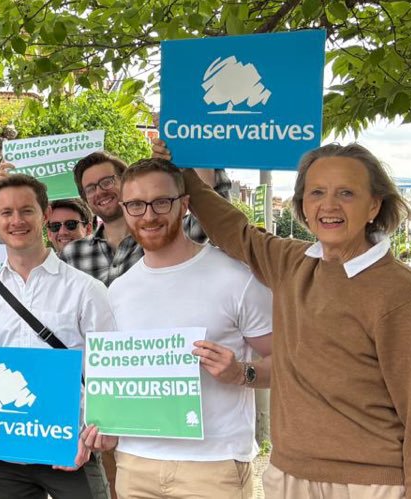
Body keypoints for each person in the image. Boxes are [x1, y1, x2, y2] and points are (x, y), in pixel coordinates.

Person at [160, 139, 411, 498]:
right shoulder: (293, 263)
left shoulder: (402, 295)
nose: (328, 205)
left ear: (374, 205)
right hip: (288, 476)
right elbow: (235, 231)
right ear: (303, 205)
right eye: (316, 192)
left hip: (368, 485)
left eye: (346, 193)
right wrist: (184, 173)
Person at [79, 159, 273, 498]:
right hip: (135, 463)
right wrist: (107, 425)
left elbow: (292, 362)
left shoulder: (237, 278)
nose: (149, 215)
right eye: (136, 205)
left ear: (184, 205)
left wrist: (242, 373)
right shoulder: (119, 290)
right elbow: (117, 378)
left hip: (214, 465)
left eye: (161, 202)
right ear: (124, 209)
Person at [0, 174, 109, 499]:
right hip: (7, 454)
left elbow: (107, 372)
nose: (17, 221)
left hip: (71, 447)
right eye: (6, 213)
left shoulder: (87, 290)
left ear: (44, 214)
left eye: (26, 210)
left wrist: (89, 433)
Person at [53, 153, 228, 285]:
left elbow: (215, 214)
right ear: (85, 198)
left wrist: (188, 145)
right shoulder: (71, 255)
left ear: (126, 182)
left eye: (107, 181)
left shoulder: (167, 234)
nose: (100, 192)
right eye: (90, 188)